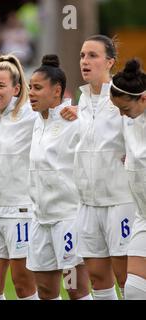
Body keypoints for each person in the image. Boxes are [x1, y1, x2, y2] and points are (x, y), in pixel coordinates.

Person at [69, 35, 136, 300]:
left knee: (126, 280)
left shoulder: (124, 98)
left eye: (93, 56)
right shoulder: (82, 100)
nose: (85, 61)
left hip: (120, 202)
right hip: (87, 204)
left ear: (110, 62)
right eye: (83, 55)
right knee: (97, 279)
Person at [27, 55, 92, 300]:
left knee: (75, 289)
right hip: (40, 219)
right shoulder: (34, 120)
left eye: (38, 88)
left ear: (57, 91)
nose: (31, 93)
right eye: (30, 87)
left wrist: (81, 111)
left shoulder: (74, 121)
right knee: (45, 291)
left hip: (67, 219)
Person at [0, 54, 38, 300]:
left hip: (21, 211)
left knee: (23, 285)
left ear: (16, 88)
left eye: (1, 85)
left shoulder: (32, 115)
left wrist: (68, 112)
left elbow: (57, 114)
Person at [110, 59, 146, 299]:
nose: (122, 115)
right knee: (133, 290)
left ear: (143, 98)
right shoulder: (128, 120)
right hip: (142, 217)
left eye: (125, 109)